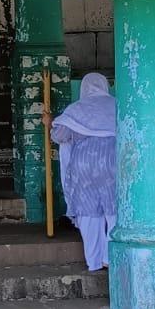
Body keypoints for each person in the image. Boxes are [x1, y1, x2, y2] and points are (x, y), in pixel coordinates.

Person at [50, 73, 117, 271]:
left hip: (84, 166)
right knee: (115, 212)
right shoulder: (118, 105)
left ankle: (94, 262)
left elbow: (59, 136)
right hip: (112, 164)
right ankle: (110, 257)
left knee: (89, 214)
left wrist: (49, 123)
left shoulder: (76, 109)